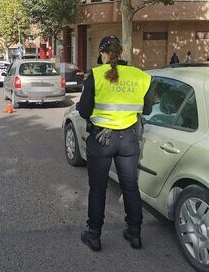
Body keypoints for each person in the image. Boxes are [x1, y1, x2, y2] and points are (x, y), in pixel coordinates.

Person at [77, 36, 153, 252]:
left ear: (103, 54)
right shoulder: (140, 76)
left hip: (102, 139)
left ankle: (94, 235)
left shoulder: (97, 74)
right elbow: (146, 109)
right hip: (128, 139)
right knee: (130, 187)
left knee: (98, 188)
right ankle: (135, 234)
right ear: (121, 53)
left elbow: (83, 111)